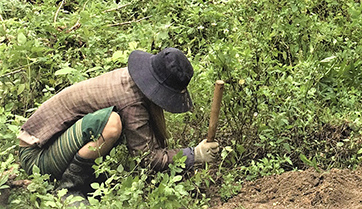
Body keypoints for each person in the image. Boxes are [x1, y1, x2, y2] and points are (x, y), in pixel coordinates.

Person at [17, 48, 219, 205]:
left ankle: (86, 178)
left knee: (109, 123)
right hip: (36, 156)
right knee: (111, 124)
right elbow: (146, 158)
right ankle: (70, 188)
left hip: (48, 144)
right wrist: (194, 154)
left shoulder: (132, 80)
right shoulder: (131, 101)